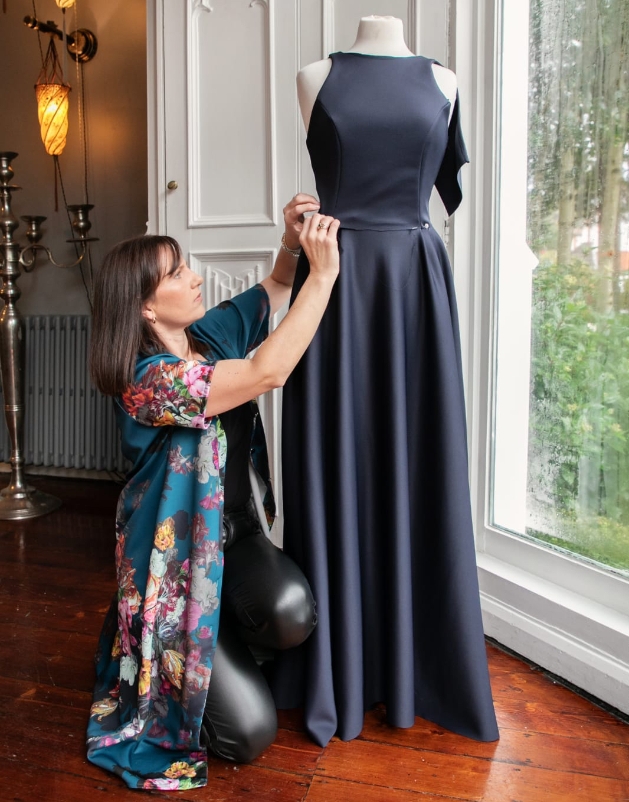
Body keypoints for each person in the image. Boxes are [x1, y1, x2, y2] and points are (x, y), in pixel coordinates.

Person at [272, 16, 499, 747]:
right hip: (332, 279)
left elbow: (437, 189)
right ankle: (340, 666)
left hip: (410, 284)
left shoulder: (444, 79)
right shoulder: (314, 75)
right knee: (339, 459)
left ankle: (416, 665)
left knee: (415, 461)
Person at [85, 194, 340, 791]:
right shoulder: (148, 383)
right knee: (249, 737)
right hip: (172, 574)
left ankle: (217, 628)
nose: (192, 276)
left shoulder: (207, 336)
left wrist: (290, 241)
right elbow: (266, 372)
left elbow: (276, 287)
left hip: (234, 540)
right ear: (147, 307)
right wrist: (323, 273)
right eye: (176, 274)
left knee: (293, 615)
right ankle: (161, 640)